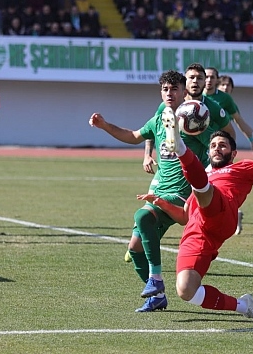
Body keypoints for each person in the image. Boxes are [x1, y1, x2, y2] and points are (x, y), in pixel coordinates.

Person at [137, 109, 253, 327]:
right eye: (213, 146)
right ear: (208, 153)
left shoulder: (242, 168)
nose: (217, 148)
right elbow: (184, 217)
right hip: (197, 233)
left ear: (233, 152)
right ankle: (244, 306)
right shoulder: (203, 178)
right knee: (186, 290)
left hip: (223, 212)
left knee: (205, 190)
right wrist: (162, 203)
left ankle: (179, 148)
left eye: (223, 145)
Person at [90, 70, 231, 312]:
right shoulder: (158, 120)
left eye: (174, 89)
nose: (169, 93)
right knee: (134, 249)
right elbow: (133, 135)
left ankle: (155, 278)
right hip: (160, 188)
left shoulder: (193, 120)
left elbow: (217, 148)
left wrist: (212, 177)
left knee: (142, 216)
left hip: (181, 194)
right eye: (165, 89)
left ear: (184, 92)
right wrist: (104, 126)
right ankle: (157, 296)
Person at [205, 68, 253, 236]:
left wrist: (251, 138)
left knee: (219, 186)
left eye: (211, 77)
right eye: (205, 77)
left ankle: (231, 214)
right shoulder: (193, 98)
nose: (208, 80)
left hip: (218, 152)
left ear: (216, 80)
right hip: (201, 149)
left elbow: (238, 121)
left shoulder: (225, 99)